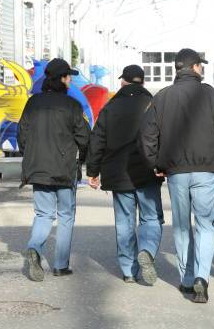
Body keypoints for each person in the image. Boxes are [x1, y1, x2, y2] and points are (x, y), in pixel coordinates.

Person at [139, 48, 214, 303]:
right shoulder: (210, 94)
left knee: (182, 225)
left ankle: (186, 280)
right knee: (205, 225)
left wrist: (155, 163)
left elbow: (147, 134)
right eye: (201, 66)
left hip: (175, 171)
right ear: (195, 67)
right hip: (206, 169)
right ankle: (201, 278)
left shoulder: (162, 96)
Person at [86, 65, 164, 285]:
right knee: (151, 217)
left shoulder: (111, 107)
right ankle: (147, 250)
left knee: (124, 221)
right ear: (143, 82)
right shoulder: (153, 105)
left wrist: (93, 171)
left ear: (123, 82)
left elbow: (97, 140)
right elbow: (163, 136)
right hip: (148, 171)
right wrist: (164, 164)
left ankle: (129, 270)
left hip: (118, 173)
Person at [17, 58, 90, 282]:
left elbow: (22, 135)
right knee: (66, 216)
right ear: (62, 79)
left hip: (38, 169)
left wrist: (32, 157)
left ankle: (34, 248)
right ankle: (60, 265)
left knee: (43, 214)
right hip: (64, 170)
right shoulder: (73, 106)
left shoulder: (33, 103)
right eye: (69, 76)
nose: (70, 80)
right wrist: (84, 162)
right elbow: (84, 138)